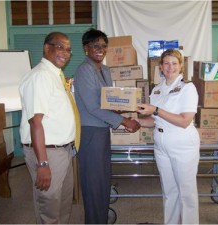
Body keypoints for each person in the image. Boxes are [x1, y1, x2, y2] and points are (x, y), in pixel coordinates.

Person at [73, 28, 141, 224]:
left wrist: (125, 108)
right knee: (93, 183)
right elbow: (93, 107)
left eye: (103, 46)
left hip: (102, 132)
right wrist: (125, 121)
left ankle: (100, 219)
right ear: (86, 48)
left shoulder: (104, 70)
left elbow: (108, 102)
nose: (100, 49)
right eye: (95, 45)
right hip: (90, 133)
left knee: (103, 181)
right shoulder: (83, 70)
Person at [19, 32, 78, 224]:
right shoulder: (40, 76)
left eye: (68, 49)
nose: (66, 53)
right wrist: (42, 164)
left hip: (63, 151)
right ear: (47, 48)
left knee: (63, 206)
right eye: (60, 47)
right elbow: (35, 122)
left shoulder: (56, 75)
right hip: (48, 154)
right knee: (49, 209)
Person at [137, 49, 200, 224]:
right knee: (169, 191)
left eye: (174, 63)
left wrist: (156, 110)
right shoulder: (157, 90)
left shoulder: (188, 88)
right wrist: (136, 122)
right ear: (160, 66)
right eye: (166, 63)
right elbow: (155, 120)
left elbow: (184, 121)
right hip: (161, 144)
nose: (170, 67)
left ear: (181, 66)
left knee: (186, 193)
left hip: (182, 143)